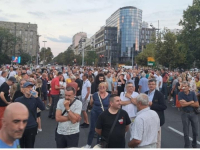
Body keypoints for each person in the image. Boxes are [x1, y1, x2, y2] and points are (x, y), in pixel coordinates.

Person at [15, 82, 45, 148]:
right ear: (23, 90)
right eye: (28, 87)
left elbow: (43, 108)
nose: (30, 89)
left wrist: (37, 97)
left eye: (31, 87)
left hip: (31, 126)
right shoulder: (18, 100)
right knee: (20, 146)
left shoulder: (35, 99)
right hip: (20, 127)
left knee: (30, 146)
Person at [84, 82, 110, 148]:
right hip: (95, 113)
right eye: (100, 87)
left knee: (102, 129)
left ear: (106, 88)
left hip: (104, 114)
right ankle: (88, 144)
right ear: (98, 88)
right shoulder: (95, 94)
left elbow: (110, 105)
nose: (102, 88)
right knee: (92, 128)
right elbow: (91, 103)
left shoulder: (109, 95)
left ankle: (98, 144)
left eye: (103, 87)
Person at [145, 79, 167, 148]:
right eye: (150, 84)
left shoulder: (159, 94)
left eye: (152, 84)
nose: (151, 85)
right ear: (148, 85)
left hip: (156, 119)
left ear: (155, 85)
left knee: (157, 139)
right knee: (147, 137)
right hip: (146, 119)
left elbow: (164, 106)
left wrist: (152, 105)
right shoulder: (145, 93)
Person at [178, 81, 199, 148]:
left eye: (185, 86)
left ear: (189, 87)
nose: (184, 88)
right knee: (186, 132)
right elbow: (182, 105)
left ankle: (194, 144)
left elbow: (197, 104)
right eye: (183, 86)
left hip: (193, 113)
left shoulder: (192, 93)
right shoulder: (180, 94)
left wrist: (186, 103)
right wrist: (191, 102)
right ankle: (187, 146)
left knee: (195, 132)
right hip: (185, 114)